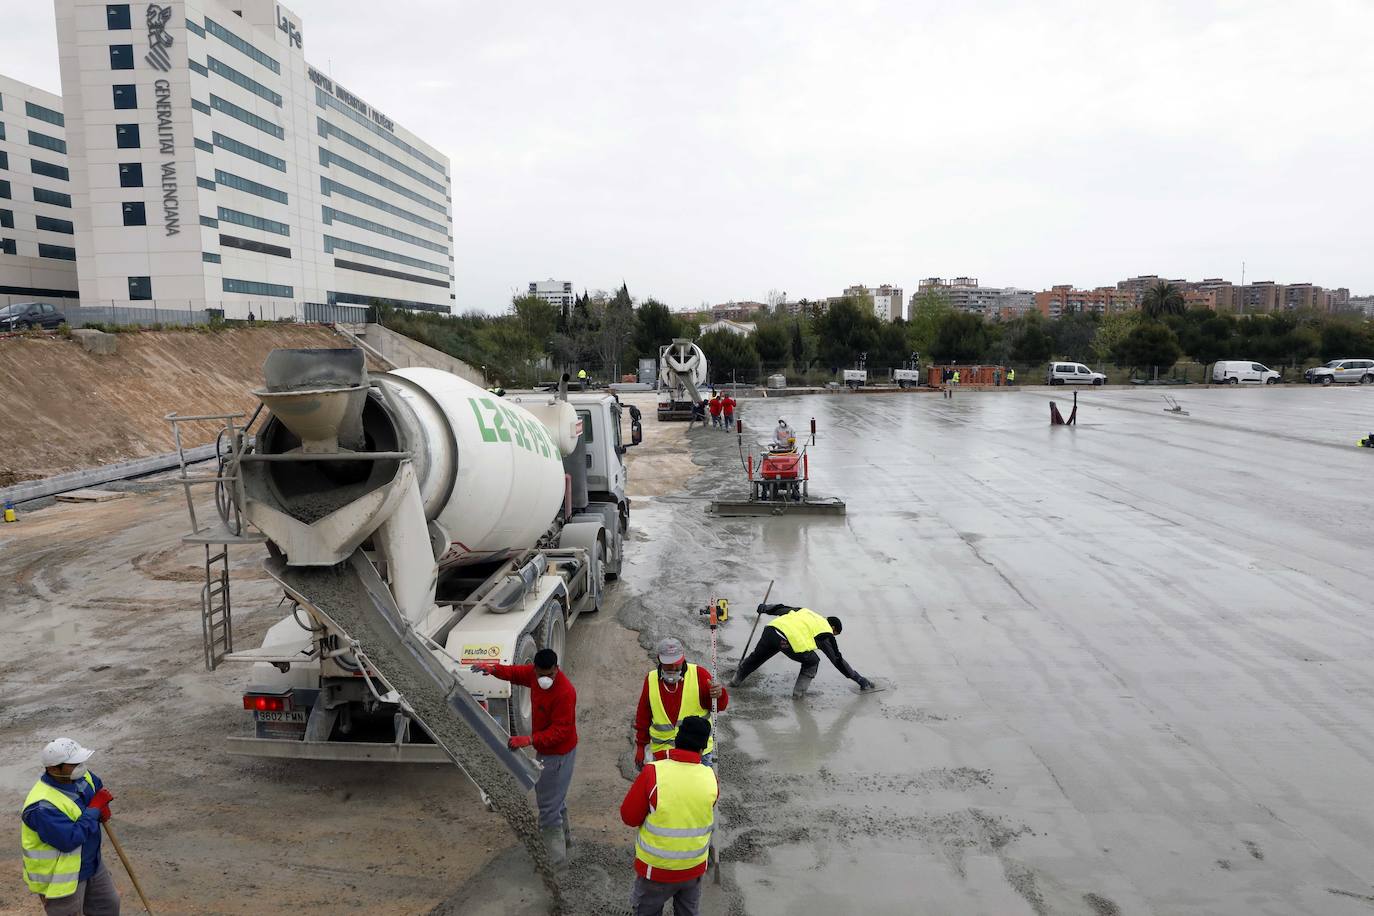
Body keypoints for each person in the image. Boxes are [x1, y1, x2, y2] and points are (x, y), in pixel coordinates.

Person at [471, 648, 578, 864]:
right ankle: (565, 845)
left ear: (556, 669)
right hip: (547, 751)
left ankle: (555, 867)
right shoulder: (533, 675)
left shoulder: (565, 692)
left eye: (549, 675)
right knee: (556, 800)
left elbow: (561, 731)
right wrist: (493, 669)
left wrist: (529, 740)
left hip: (559, 754)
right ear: (536, 670)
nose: (544, 680)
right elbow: (515, 674)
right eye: (540, 675)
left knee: (548, 809)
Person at [620, 716, 718, 916]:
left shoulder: (653, 773)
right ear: (702, 749)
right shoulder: (711, 779)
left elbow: (629, 817)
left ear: (676, 740)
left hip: (656, 870)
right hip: (693, 869)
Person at [20, 737, 120, 916]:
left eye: (81, 761)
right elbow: (69, 839)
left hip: (91, 863)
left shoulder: (82, 776)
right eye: (74, 763)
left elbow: (96, 786)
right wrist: (95, 810)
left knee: (108, 907)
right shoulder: (42, 806)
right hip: (62, 878)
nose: (81, 766)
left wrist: (102, 806)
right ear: (53, 769)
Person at [730, 605, 874, 697]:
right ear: (834, 628)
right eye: (835, 634)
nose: (833, 636)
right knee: (813, 661)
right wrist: (859, 679)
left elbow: (782, 608)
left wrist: (765, 608)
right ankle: (798, 695)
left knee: (756, 658)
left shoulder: (806, 612)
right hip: (787, 641)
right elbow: (837, 660)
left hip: (771, 630)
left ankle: (735, 681)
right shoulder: (826, 632)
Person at [634, 638, 728, 770]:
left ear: (683, 658)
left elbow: (719, 706)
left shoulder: (699, 675)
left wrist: (720, 694)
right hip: (663, 753)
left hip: (697, 752)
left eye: (676, 663)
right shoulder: (651, 680)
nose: (673, 667)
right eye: (668, 664)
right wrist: (640, 746)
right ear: (659, 659)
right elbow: (643, 717)